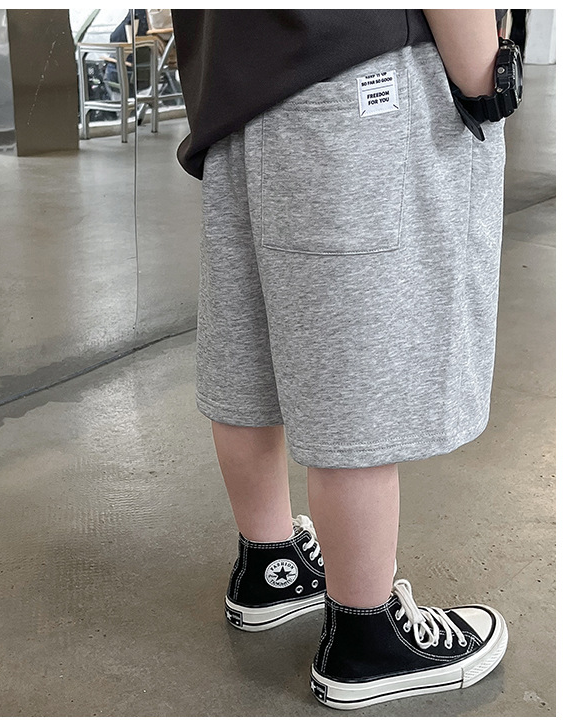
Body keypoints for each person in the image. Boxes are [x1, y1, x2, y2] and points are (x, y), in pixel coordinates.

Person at [170, 9, 517, 710]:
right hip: (360, 84)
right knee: (357, 370)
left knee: (251, 347)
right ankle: (367, 638)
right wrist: (490, 76)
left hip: (237, 96)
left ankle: (269, 565)